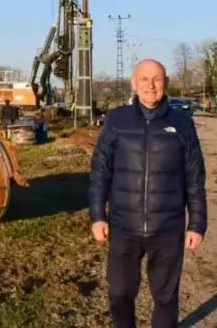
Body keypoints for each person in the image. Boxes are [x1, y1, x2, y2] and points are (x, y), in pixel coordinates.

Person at [88, 59, 208, 328]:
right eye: (144, 79)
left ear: (165, 84)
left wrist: (197, 224)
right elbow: (100, 172)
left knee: (165, 298)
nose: (150, 85)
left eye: (156, 79)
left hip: (167, 229)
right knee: (119, 294)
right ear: (133, 83)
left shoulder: (182, 123)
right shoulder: (116, 120)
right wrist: (97, 216)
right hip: (123, 227)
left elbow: (195, 177)